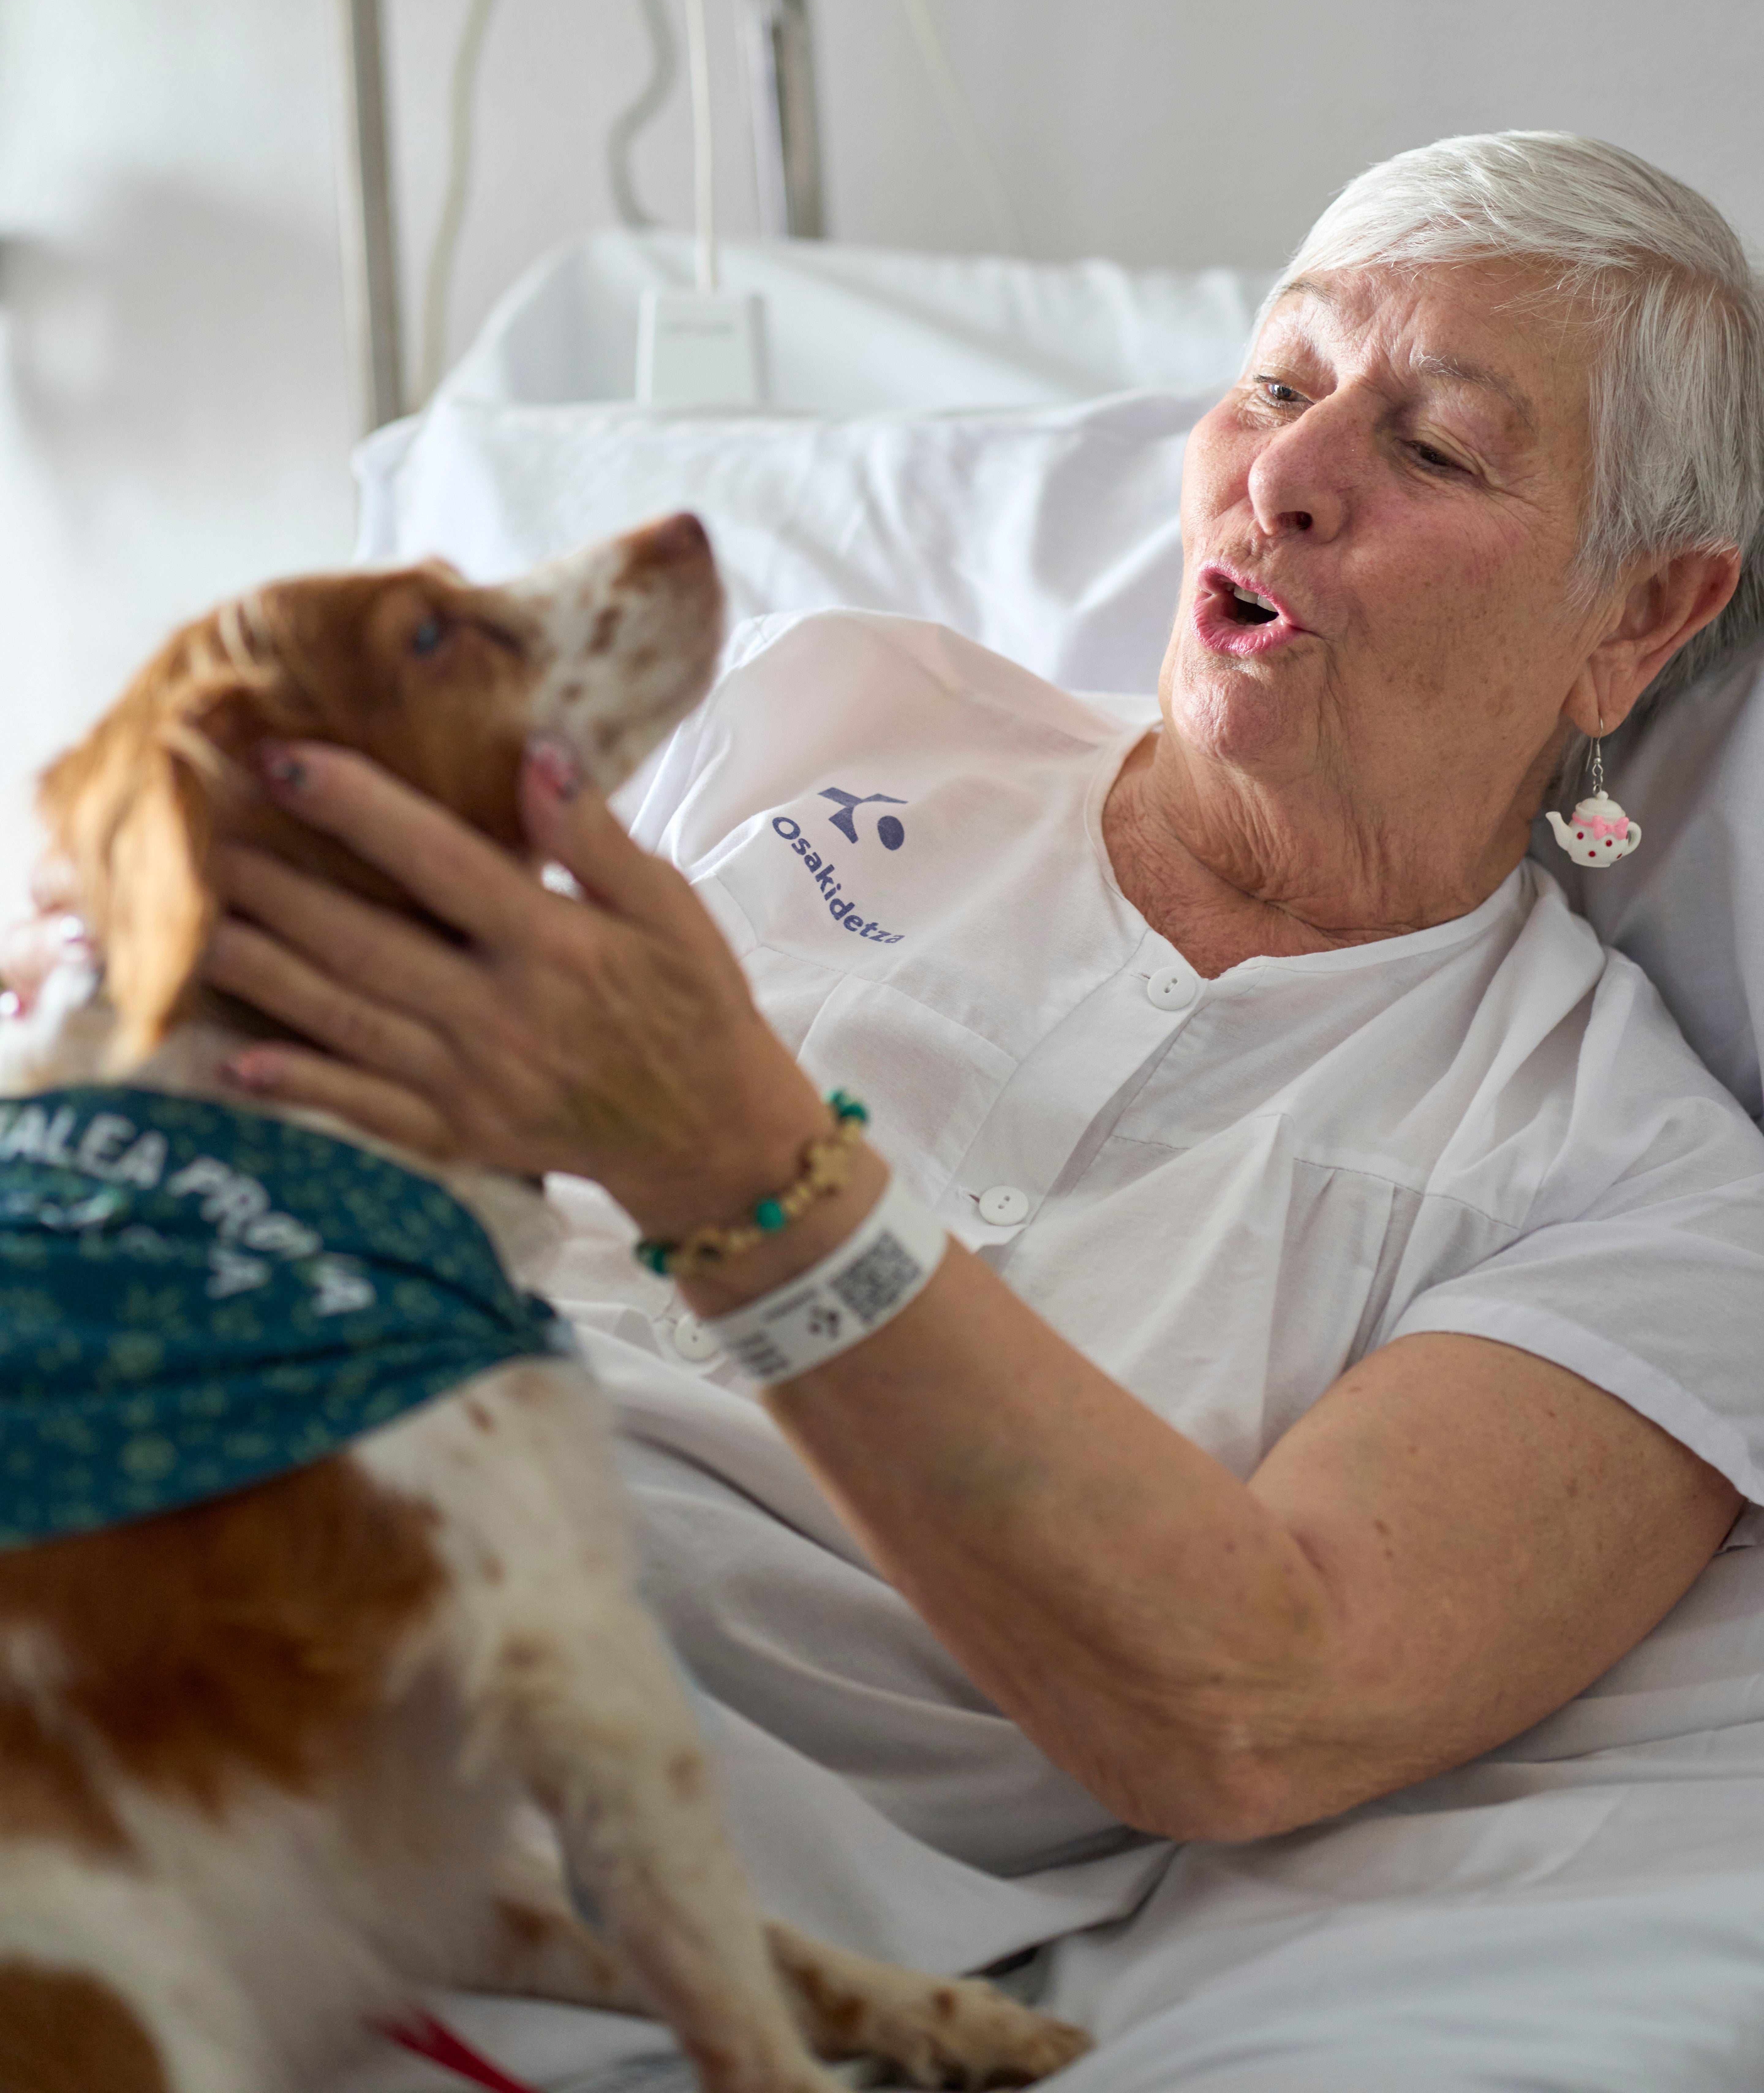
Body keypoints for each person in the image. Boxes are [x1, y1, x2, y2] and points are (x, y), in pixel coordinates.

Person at [17, 133, 1764, 2005]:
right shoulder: (810, 704)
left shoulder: (1641, 1190)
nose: (1287, 475)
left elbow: (1260, 1703)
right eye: (1275, 383)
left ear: (1641, 618)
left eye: (1430, 448)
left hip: (500, 1875)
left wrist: (737, 1164)